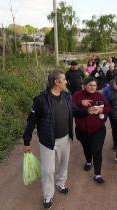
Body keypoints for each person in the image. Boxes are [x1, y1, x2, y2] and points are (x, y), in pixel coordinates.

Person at [22, 70, 75, 209]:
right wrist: (26, 141)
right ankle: (47, 195)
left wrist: (87, 110)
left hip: (65, 138)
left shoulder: (67, 96)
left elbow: (74, 111)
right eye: (64, 79)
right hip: (48, 141)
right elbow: (31, 121)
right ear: (57, 82)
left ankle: (61, 183)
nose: (66, 82)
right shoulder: (41, 99)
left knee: (63, 164)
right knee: (48, 170)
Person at [73, 77, 111, 184]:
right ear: (85, 85)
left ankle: (97, 174)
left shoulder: (100, 95)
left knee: (97, 150)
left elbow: (108, 107)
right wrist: (81, 103)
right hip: (82, 130)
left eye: (94, 85)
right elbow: (72, 109)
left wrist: (101, 109)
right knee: (87, 148)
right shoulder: (77, 95)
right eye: (90, 85)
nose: (92, 87)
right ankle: (89, 161)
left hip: (98, 129)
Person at [102, 76, 117, 163]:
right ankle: (115, 144)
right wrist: (104, 117)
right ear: (114, 83)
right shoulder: (106, 90)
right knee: (114, 130)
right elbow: (103, 104)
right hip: (112, 115)